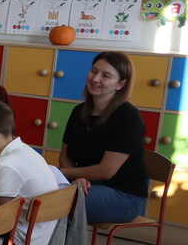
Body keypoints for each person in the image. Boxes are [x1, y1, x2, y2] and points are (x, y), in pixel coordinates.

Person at [59, 51, 148, 224]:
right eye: (94, 71)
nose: (95, 78)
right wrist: (77, 178)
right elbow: (65, 156)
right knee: (40, 193)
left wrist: (65, 173)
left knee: (58, 204)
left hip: (124, 196)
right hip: (85, 185)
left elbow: (106, 170)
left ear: (120, 84)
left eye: (106, 75)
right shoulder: (78, 111)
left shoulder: (128, 116)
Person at [0, 100, 60, 245]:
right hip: (38, 238)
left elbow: (0, 219)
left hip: (16, 244)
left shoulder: (7, 165)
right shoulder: (25, 150)